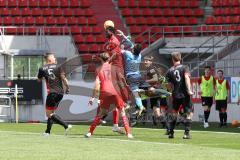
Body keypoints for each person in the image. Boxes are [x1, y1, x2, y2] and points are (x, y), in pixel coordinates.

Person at [85, 52, 133, 138]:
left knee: (101, 113)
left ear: (100, 59)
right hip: (115, 91)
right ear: (109, 59)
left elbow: (97, 85)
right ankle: (128, 133)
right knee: (122, 111)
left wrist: (92, 98)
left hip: (105, 91)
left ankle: (90, 132)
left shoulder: (98, 69)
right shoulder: (115, 68)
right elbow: (122, 79)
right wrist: (126, 88)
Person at [37, 53, 72, 136]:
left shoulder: (42, 68)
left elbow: (38, 80)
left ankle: (66, 125)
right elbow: (64, 79)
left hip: (52, 93)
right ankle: (47, 132)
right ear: (49, 60)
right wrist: (67, 88)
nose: (55, 59)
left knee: (49, 114)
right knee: (52, 113)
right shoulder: (58, 66)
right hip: (60, 93)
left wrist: (43, 76)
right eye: (54, 58)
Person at [166, 52, 193, 139]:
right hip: (185, 94)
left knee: (174, 113)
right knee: (188, 113)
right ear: (180, 58)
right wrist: (189, 90)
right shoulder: (185, 67)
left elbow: (168, 85)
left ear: (172, 59)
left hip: (175, 94)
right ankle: (186, 133)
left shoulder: (169, 70)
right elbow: (186, 78)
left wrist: (170, 92)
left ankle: (171, 132)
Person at [143, 56, 161, 126]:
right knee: (155, 111)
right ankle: (159, 124)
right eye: (144, 60)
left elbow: (155, 79)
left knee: (156, 111)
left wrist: (146, 81)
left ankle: (167, 125)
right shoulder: (149, 69)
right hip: (152, 90)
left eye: (147, 61)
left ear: (150, 62)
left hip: (155, 90)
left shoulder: (151, 69)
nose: (145, 62)